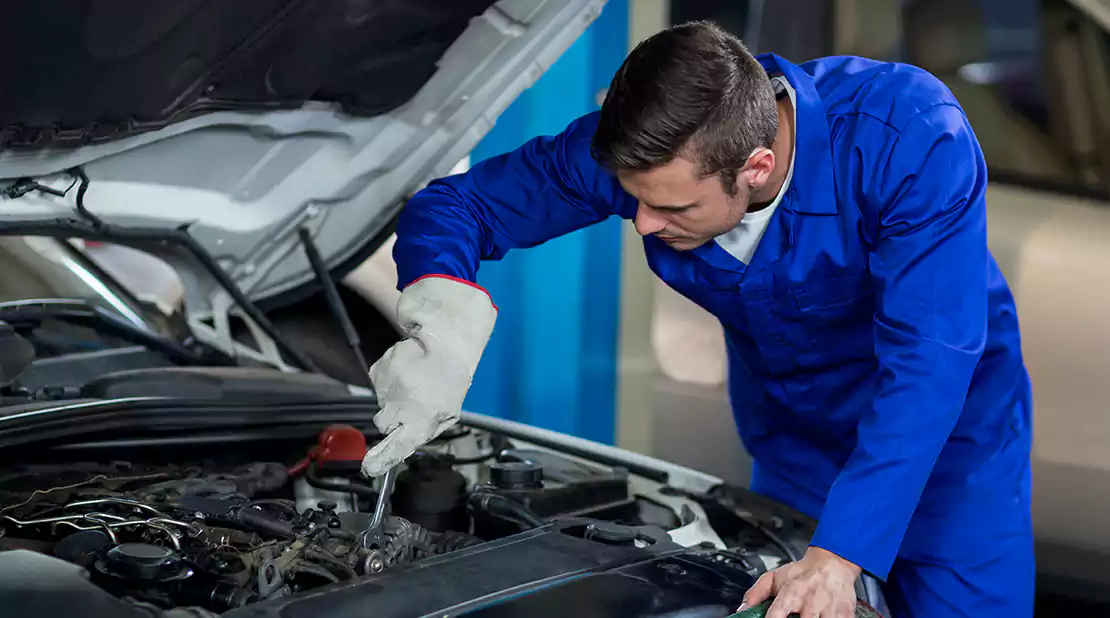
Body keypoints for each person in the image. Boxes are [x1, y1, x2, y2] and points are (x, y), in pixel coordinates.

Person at [360, 21, 1034, 618]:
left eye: (675, 211)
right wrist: (439, 317)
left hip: (953, 455)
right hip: (795, 444)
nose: (646, 223)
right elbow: (459, 206)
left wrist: (841, 552)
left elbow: (929, 363)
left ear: (756, 166)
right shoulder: (647, 157)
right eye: (636, 201)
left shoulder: (907, 135)